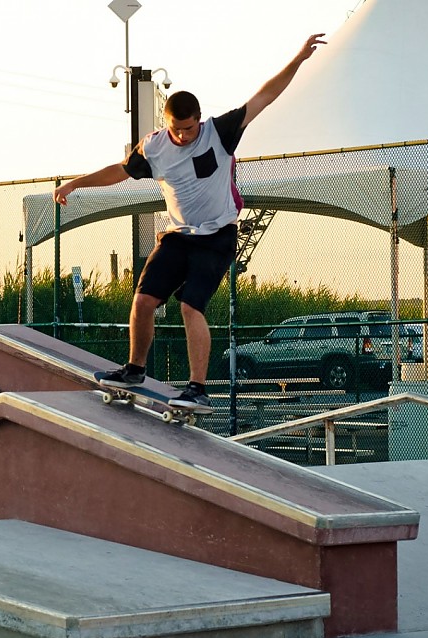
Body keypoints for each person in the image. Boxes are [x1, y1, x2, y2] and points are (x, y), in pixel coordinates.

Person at [53, 33, 326, 412]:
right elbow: (120, 171)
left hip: (218, 236)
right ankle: (134, 369)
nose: (182, 136)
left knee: (190, 306)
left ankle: (197, 387)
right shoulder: (154, 146)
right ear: (166, 123)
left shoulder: (221, 131)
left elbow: (265, 96)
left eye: (189, 129)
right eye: (175, 129)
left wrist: (298, 59)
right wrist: (76, 183)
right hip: (179, 237)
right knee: (144, 299)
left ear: (199, 119)